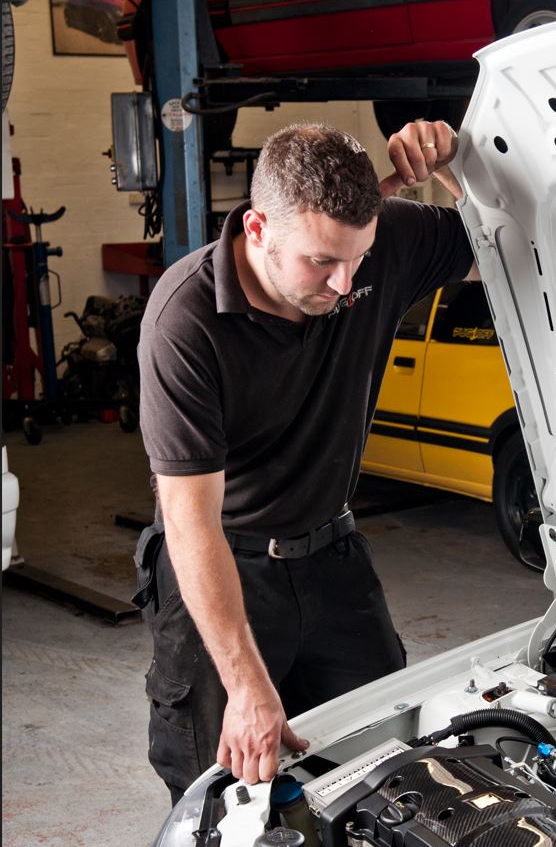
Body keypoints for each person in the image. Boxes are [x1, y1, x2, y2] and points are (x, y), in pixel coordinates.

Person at [135, 119, 477, 805]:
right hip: (225, 563)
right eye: (322, 262)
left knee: (387, 763)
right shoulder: (186, 320)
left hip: (332, 555)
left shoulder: (378, 244)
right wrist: (245, 682)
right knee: (221, 794)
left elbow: (507, 244)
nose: (346, 282)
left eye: (360, 256)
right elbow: (189, 523)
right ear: (258, 230)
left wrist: (456, 164)